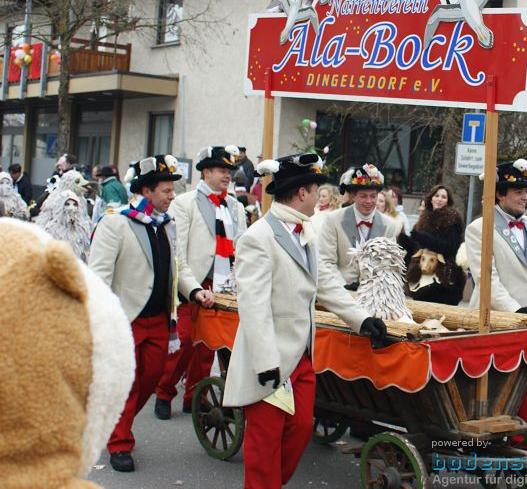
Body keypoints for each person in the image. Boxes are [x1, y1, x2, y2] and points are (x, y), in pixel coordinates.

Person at [222, 152, 387, 489]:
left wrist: (361, 319)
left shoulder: (304, 231)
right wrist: (266, 361)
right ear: (301, 193)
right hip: (268, 362)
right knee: (264, 448)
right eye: (315, 190)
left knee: (296, 437)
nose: (318, 197)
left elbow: (325, 283)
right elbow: (253, 307)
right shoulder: (258, 237)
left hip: (302, 360)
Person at [88, 154, 191, 472]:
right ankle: (119, 442)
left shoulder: (167, 224)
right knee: (126, 383)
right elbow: (98, 276)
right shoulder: (116, 222)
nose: (172, 196)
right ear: (146, 191)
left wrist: (195, 290)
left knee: (150, 378)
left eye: (172, 191)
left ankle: (111, 423)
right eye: (166, 191)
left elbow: (179, 267)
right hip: (124, 319)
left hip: (160, 320)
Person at [154, 146, 247, 420]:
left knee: (208, 345)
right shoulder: (185, 203)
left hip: (223, 284)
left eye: (229, 172)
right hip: (193, 283)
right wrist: (191, 287)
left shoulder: (235, 206)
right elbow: (178, 251)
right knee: (184, 341)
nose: (227, 176)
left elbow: (239, 246)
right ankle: (164, 392)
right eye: (221, 171)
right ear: (206, 172)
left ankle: (194, 397)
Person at [465, 159, 527, 434]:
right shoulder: (480, 228)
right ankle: (495, 445)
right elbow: (487, 280)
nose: (524, 197)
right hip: (498, 325)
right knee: (498, 391)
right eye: (518, 191)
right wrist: (517, 312)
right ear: (500, 194)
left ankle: (525, 446)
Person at [318, 164, 402, 291]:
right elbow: (326, 262)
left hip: (375, 293)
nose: (369, 201)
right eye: (363, 196)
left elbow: (389, 266)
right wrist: (342, 288)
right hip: (340, 291)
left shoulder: (389, 225)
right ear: (353, 196)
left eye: (373, 196)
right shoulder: (332, 220)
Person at [406, 184, 466, 305]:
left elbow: (450, 247)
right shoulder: (424, 218)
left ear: (448, 201)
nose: (439, 199)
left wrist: (424, 238)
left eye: (443, 197)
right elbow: (415, 248)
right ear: (431, 198)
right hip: (422, 270)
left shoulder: (452, 219)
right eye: (436, 195)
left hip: (443, 275)